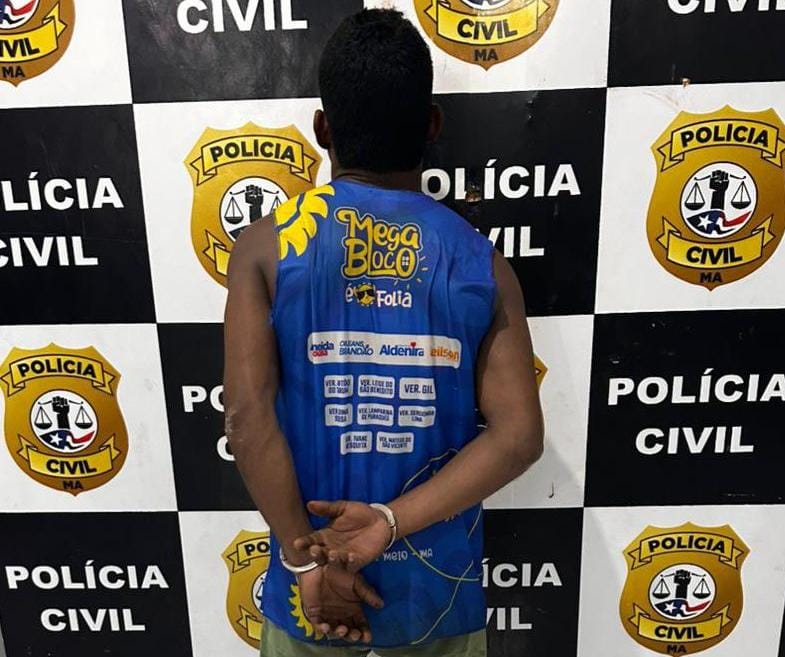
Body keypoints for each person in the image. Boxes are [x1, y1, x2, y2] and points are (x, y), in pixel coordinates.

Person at [223, 8, 544, 657]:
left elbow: (247, 419)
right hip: (436, 590)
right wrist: (388, 524)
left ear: (322, 128)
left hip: (309, 587)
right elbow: (518, 437)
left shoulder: (265, 248)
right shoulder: (480, 262)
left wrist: (305, 561)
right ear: (432, 126)